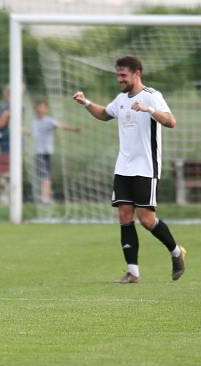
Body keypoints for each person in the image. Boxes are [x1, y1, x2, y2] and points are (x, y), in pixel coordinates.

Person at [71, 56, 185, 283]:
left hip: (146, 167)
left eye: (123, 75)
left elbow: (171, 122)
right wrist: (85, 103)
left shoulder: (152, 96)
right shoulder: (121, 99)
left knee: (146, 219)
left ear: (137, 74)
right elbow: (105, 114)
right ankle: (133, 272)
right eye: (118, 75)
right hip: (123, 167)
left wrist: (149, 109)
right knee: (124, 216)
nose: (119, 79)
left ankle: (176, 252)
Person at [30, 99, 79, 204]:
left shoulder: (49, 120)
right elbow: (32, 133)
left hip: (45, 152)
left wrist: (73, 129)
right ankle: (46, 195)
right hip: (38, 152)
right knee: (42, 175)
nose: (40, 109)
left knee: (45, 175)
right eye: (39, 107)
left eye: (43, 107)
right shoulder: (34, 122)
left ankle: (45, 197)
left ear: (46, 109)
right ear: (35, 109)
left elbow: (60, 125)